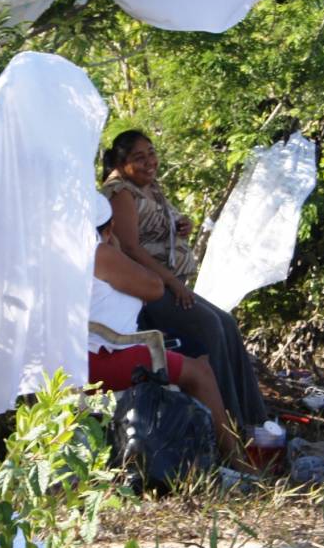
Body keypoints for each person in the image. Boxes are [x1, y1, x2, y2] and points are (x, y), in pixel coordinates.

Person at [100, 130, 267, 428]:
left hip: (168, 283)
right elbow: (130, 248)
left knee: (227, 323)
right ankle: (225, 424)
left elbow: (155, 225)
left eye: (151, 153)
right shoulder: (120, 192)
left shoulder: (149, 185)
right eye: (139, 158)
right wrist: (173, 284)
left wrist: (179, 226)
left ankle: (253, 419)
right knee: (209, 328)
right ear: (121, 162)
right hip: (148, 290)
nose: (150, 162)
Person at [87, 193, 244, 468]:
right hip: (100, 358)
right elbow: (154, 287)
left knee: (196, 354)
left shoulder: (60, 253)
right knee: (200, 373)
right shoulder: (99, 252)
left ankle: (195, 450)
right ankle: (235, 460)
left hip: (87, 351)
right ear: (109, 229)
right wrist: (116, 247)